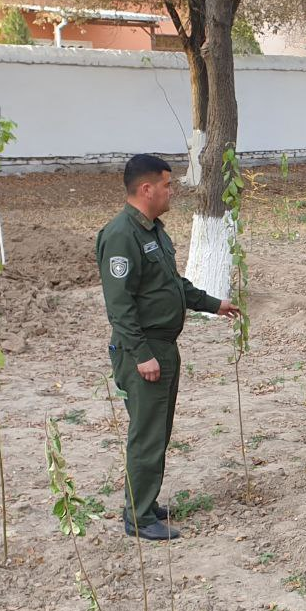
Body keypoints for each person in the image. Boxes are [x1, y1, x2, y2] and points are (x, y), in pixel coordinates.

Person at [96, 154, 239, 540]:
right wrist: (142, 355)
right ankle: (139, 518)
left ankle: (145, 500)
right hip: (144, 349)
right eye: (167, 184)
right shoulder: (123, 235)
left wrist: (214, 304)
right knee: (146, 433)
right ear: (147, 189)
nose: (171, 190)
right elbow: (120, 306)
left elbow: (173, 285)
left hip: (162, 347)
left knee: (157, 430)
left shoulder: (152, 231)